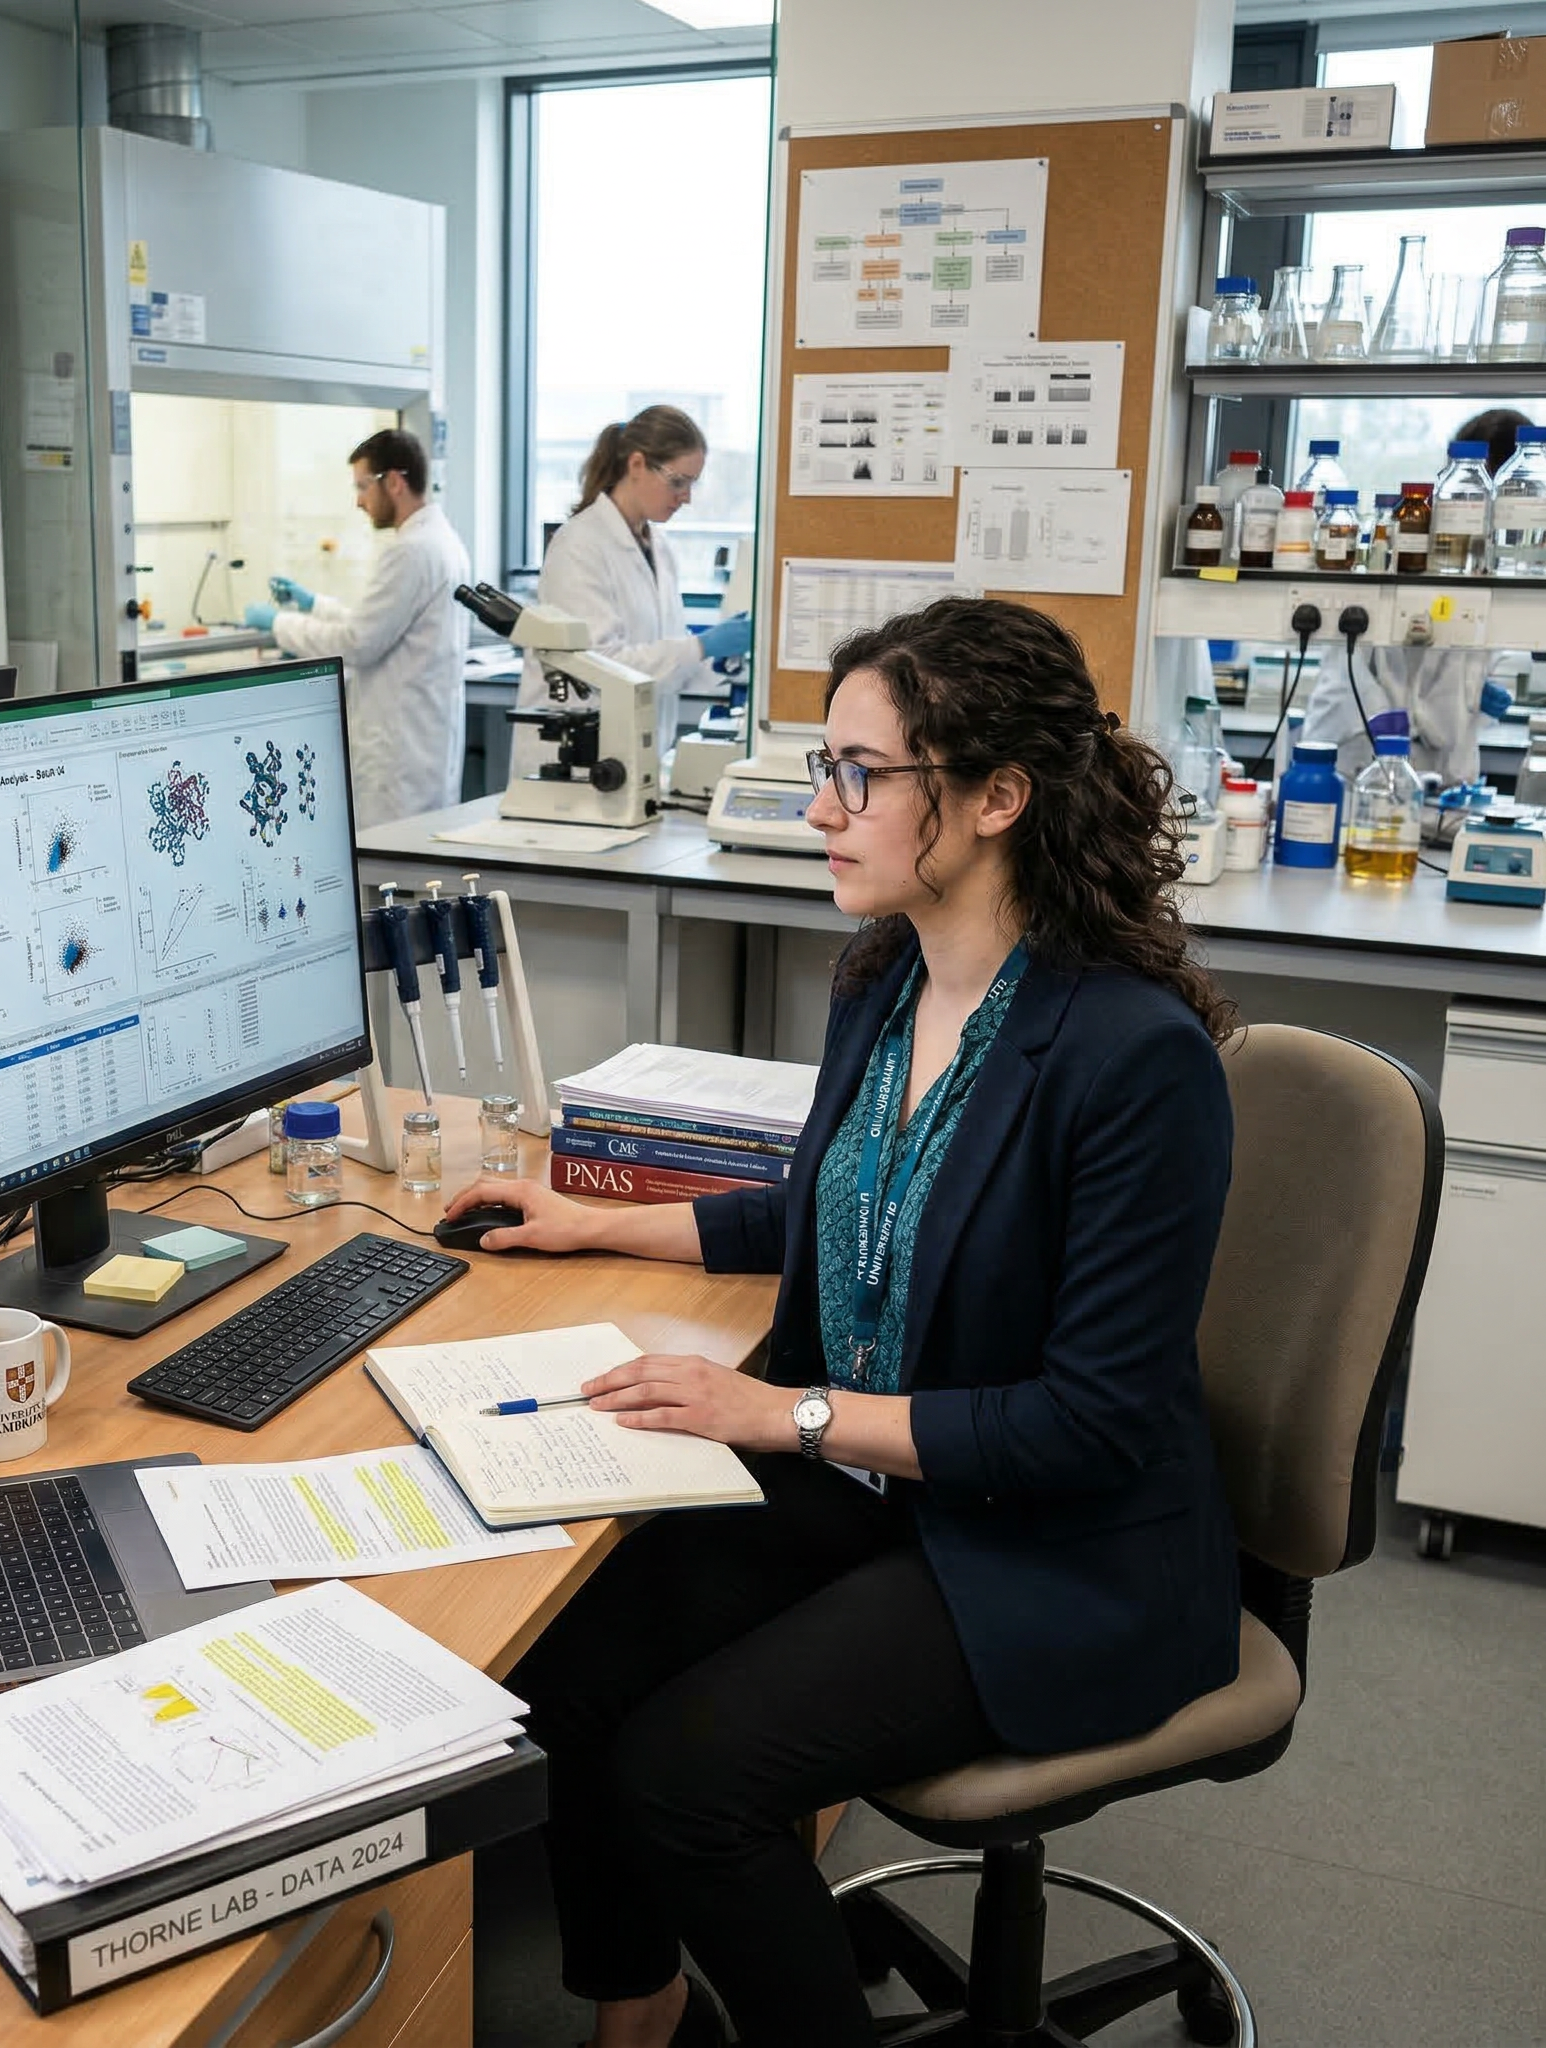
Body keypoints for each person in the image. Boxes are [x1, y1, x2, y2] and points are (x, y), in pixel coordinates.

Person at [444, 597, 1243, 2048]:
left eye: (860, 776)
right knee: (566, 1676)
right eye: (827, 767)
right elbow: (840, 1207)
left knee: (689, 1778)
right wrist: (592, 1217)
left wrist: (780, 1412)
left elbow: (1092, 1422)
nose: (820, 808)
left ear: (996, 798)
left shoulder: (1134, 1058)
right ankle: (642, 2011)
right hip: (888, 1489)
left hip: (1055, 1545)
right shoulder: (887, 975)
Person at [244, 428, 470, 828]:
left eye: (363, 486)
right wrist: (314, 604)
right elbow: (379, 624)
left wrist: (279, 623)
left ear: (394, 482)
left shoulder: (411, 551)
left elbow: (357, 643)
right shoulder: (440, 541)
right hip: (420, 746)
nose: (359, 501)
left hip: (398, 759)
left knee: (391, 859)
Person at [1299, 407, 1529, 784]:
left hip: (1447, 772)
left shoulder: (1508, 557)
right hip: (1359, 753)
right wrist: (1397, 715)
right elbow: (1353, 658)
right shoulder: (1409, 535)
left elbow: (1492, 654)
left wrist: (1483, 693)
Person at [523, 405, 749, 760]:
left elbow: (661, 654)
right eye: (678, 482)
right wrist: (700, 647)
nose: (686, 497)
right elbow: (600, 665)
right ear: (637, 464)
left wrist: (718, 662)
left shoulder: (659, 547)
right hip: (578, 757)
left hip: (639, 751)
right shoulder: (579, 544)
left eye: (692, 484)